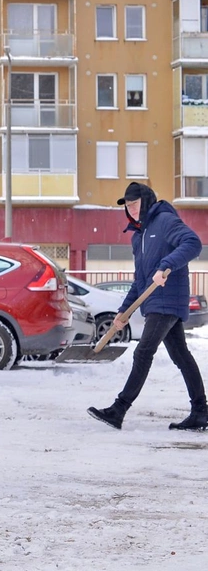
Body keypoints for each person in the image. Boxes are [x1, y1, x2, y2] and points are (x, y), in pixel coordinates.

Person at [87, 182, 206, 431]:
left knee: (143, 351)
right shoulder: (138, 236)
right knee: (181, 356)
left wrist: (167, 265)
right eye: (127, 206)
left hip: (167, 298)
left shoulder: (164, 221)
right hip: (154, 301)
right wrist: (124, 311)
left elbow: (193, 242)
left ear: (146, 201)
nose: (131, 210)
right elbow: (140, 281)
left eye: (135, 204)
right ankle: (201, 412)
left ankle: (119, 409)